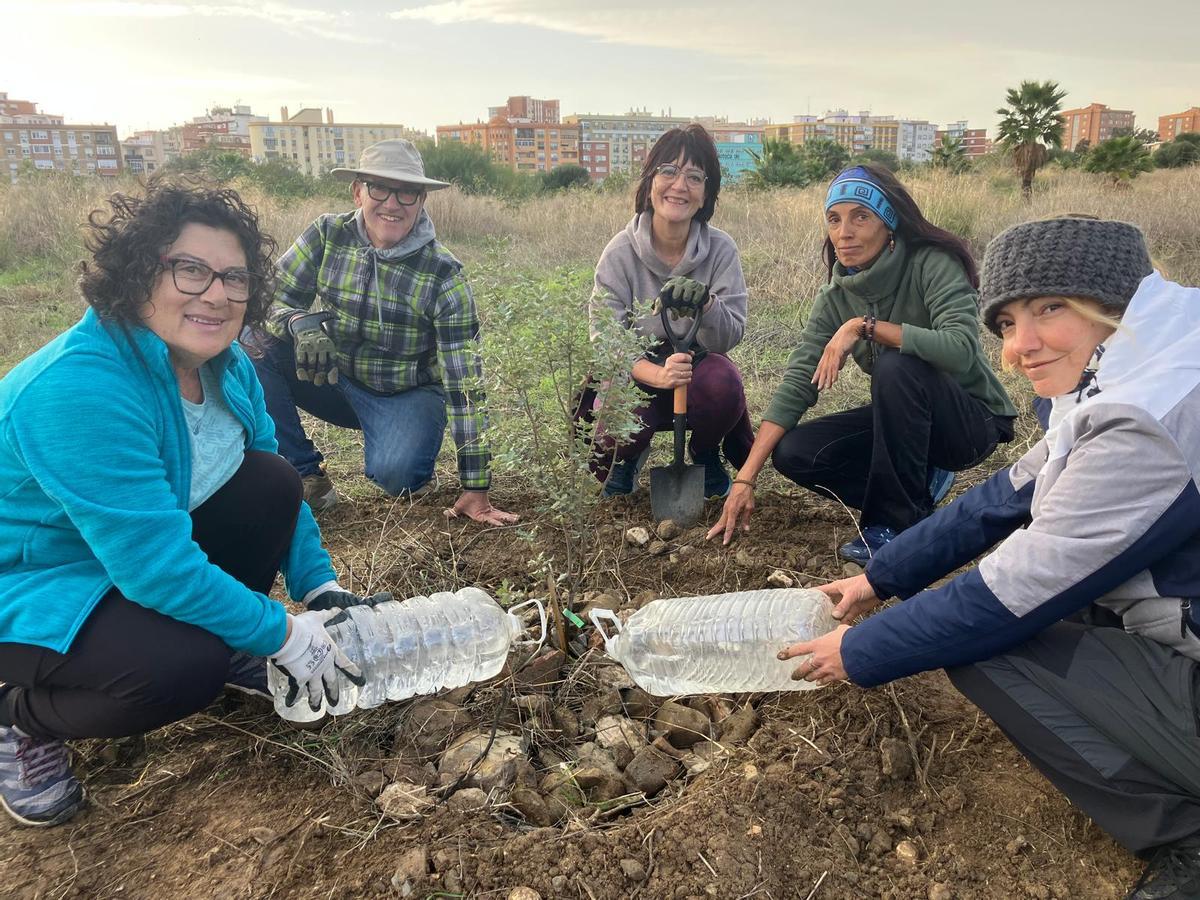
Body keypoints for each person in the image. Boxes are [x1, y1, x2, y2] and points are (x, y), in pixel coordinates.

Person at [782, 217, 1200, 900]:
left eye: (1049, 308)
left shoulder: (1147, 416)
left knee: (985, 646)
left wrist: (860, 650)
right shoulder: (1150, 360)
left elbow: (1007, 596)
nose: (1019, 347)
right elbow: (1005, 495)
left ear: (1115, 301)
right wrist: (877, 578)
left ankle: (1184, 834)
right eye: (1006, 323)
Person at [0, 182, 382, 828]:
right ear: (136, 274)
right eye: (189, 269)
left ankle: (226, 639)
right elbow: (155, 569)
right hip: (33, 587)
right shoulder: (78, 390)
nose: (216, 294)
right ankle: (20, 718)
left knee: (269, 481)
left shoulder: (226, 366)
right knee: (179, 670)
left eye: (235, 277)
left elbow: (278, 483)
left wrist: (319, 587)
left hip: (119, 561)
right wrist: (282, 632)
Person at [707, 164, 1017, 562]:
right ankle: (917, 495)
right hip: (905, 421)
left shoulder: (931, 263)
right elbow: (798, 381)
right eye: (834, 219)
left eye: (860, 217)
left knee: (896, 365)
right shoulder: (836, 296)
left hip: (970, 422)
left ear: (889, 224)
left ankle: (892, 525)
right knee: (795, 452)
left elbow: (960, 348)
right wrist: (745, 478)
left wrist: (864, 327)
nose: (844, 232)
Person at [250, 139, 517, 526]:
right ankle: (305, 476)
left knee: (398, 477)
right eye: (379, 188)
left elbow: (466, 384)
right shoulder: (326, 234)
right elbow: (264, 302)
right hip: (333, 378)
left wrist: (476, 487)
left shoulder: (444, 274)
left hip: (405, 394)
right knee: (251, 345)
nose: (392, 204)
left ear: (421, 200)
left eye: (407, 192)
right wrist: (296, 321)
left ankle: (407, 456)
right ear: (357, 192)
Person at [586, 123, 753, 498]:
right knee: (613, 423)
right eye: (668, 171)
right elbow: (606, 341)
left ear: (706, 193)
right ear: (650, 181)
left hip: (697, 367)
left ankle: (704, 452)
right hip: (634, 371)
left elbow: (730, 336)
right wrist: (658, 374)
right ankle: (628, 457)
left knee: (724, 384)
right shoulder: (619, 253)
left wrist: (707, 304)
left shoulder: (721, 250)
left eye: (694, 177)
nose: (679, 186)